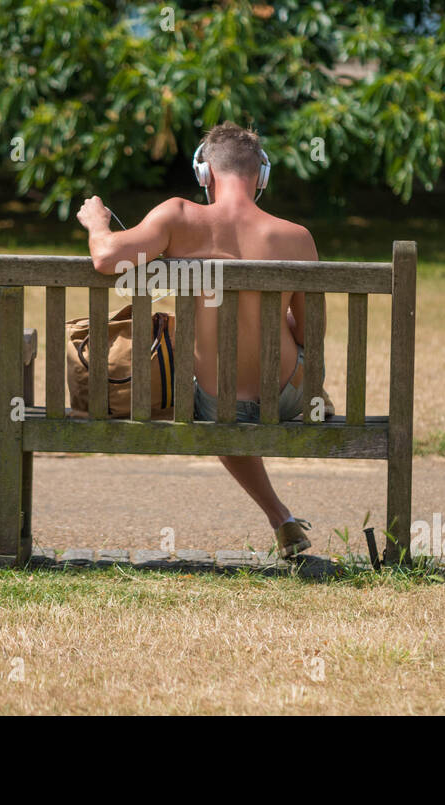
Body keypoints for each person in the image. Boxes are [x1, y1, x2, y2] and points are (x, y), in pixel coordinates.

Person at [76, 121, 320, 558]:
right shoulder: (297, 237)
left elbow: (106, 258)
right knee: (270, 330)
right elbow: (307, 335)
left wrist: (97, 222)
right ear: (261, 177)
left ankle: (279, 515)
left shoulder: (179, 217)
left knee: (216, 397)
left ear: (203, 173)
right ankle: (280, 517)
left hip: (211, 401)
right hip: (286, 396)